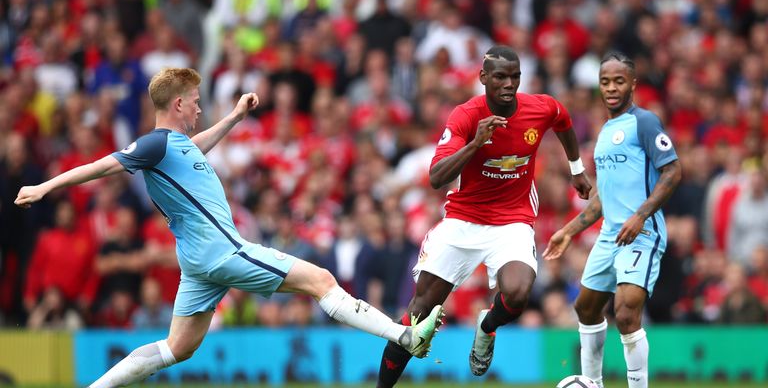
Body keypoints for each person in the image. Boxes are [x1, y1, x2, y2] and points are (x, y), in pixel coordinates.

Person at [15, 68, 444, 387]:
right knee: (321, 281)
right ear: (177, 104)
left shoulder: (175, 146)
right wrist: (45, 187)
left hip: (197, 262)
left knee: (177, 348)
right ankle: (404, 336)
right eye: (195, 101)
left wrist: (235, 116)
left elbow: (196, 147)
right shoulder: (154, 143)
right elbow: (102, 165)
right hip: (222, 252)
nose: (200, 108)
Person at [376, 45, 592, 387]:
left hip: (512, 220)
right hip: (464, 219)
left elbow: (562, 119)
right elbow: (436, 177)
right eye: (501, 77)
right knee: (418, 313)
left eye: (515, 77)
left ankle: (487, 326)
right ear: (483, 78)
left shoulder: (539, 108)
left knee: (518, 293)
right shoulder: (465, 116)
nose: (509, 84)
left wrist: (576, 169)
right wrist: (476, 143)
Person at [544, 52, 682, 388]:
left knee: (625, 311)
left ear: (632, 84)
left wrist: (640, 216)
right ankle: (593, 383)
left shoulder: (644, 122)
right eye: (605, 82)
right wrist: (568, 230)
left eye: (619, 81)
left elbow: (673, 170)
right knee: (585, 308)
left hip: (642, 233)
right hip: (610, 235)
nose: (611, 88)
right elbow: (604, 197)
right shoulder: (605, 132)